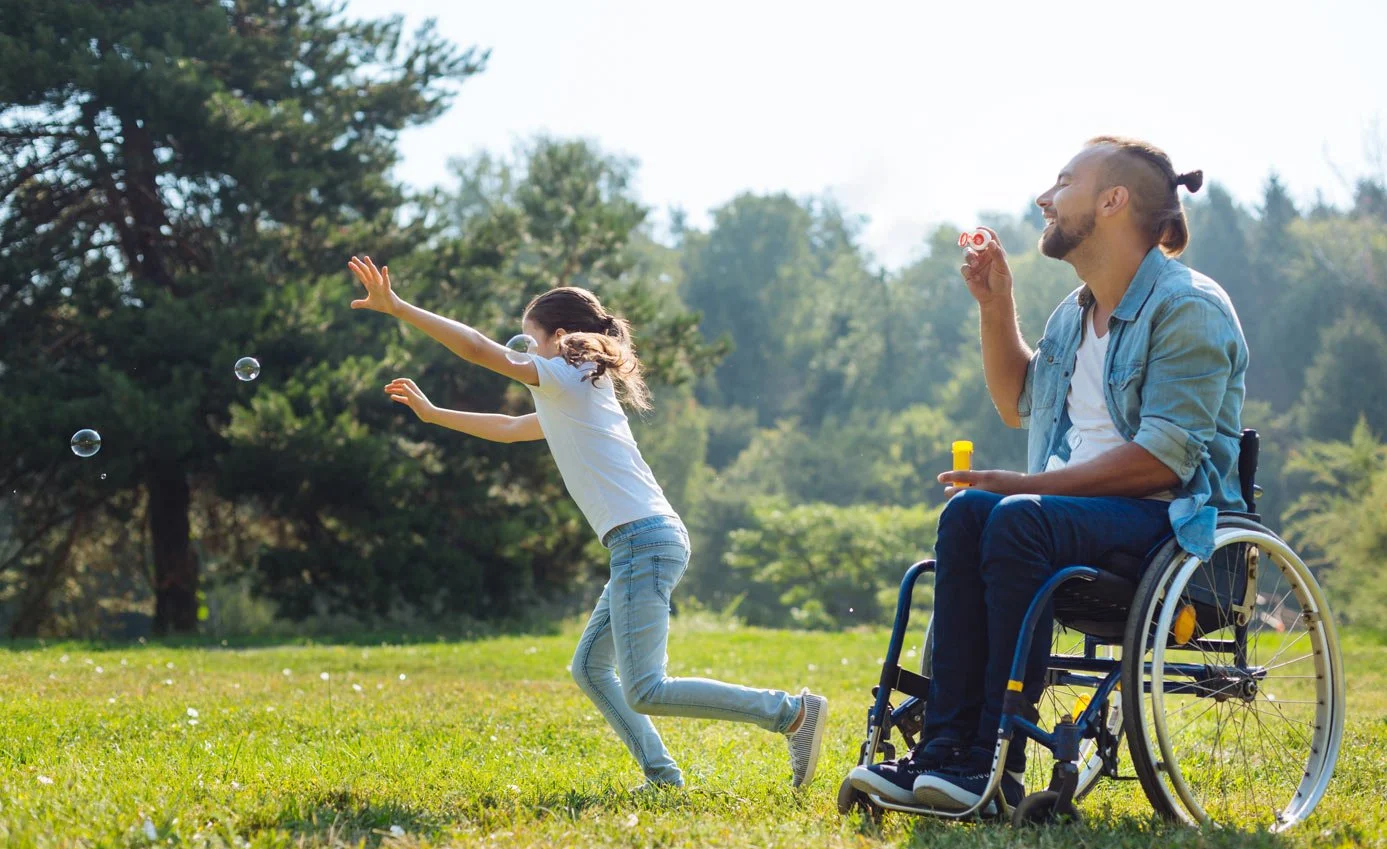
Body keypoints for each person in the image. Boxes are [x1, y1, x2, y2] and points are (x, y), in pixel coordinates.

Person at [849, 136, 1249, 814]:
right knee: (968, 513)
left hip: (1167, 525)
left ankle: (991, 761)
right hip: (1067, 521)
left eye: (1062, 182)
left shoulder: (1188, 308)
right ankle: (945, 753)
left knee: (1013, 514)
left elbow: (1160, 460)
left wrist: (1024, 487)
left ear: (1111, 200)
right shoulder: (1072, 313)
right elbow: (1015, 402)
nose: (1043, 197)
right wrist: (994, 305)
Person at [346, 256, 828, 790]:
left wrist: (399, 308)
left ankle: (791, 713)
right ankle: (662, 775)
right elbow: (509, 428)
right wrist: (437, 415)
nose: (522, 353)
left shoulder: (568, 376)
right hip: (644, 538)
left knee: (646, 687)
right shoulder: (574, 392)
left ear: (556, 337)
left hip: (642, 539)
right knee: (591, 670)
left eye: (529, 341)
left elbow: (480, 349)